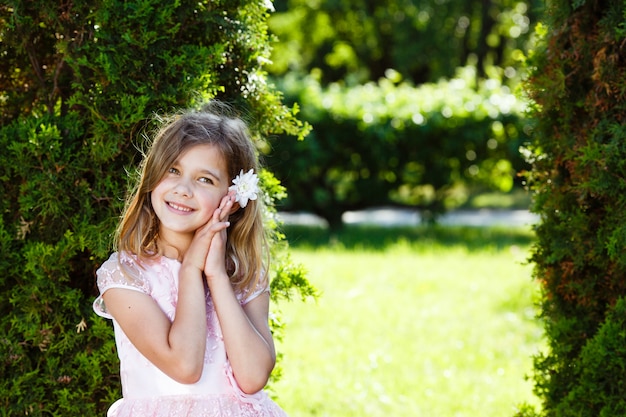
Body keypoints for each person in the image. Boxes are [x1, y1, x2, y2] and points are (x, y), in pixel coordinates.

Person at [93, 102, 288, 416]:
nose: (183, 189)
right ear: (153, 175)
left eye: (205, 179)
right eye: (173, 170)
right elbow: (185, 365)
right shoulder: (125, 275)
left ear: (233, 198)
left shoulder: (244, 274)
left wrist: (217, 277)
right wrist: (190, 271)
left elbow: (252, 378)